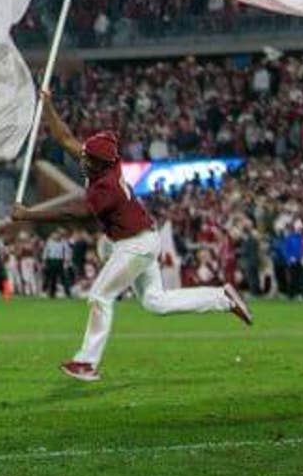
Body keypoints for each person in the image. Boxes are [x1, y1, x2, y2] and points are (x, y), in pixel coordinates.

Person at [13, 93, 250, 382]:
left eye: (87, 159)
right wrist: (47, 105)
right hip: (142, 238)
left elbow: (74, 215)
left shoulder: (107, 187)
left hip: (135, 245)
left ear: (99, 165)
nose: (82, 159)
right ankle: (221, 298)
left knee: (100, 295)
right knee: (156, 303)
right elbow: (65, 138)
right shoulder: (104, 162)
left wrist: (29, 214)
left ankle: (87, 362)